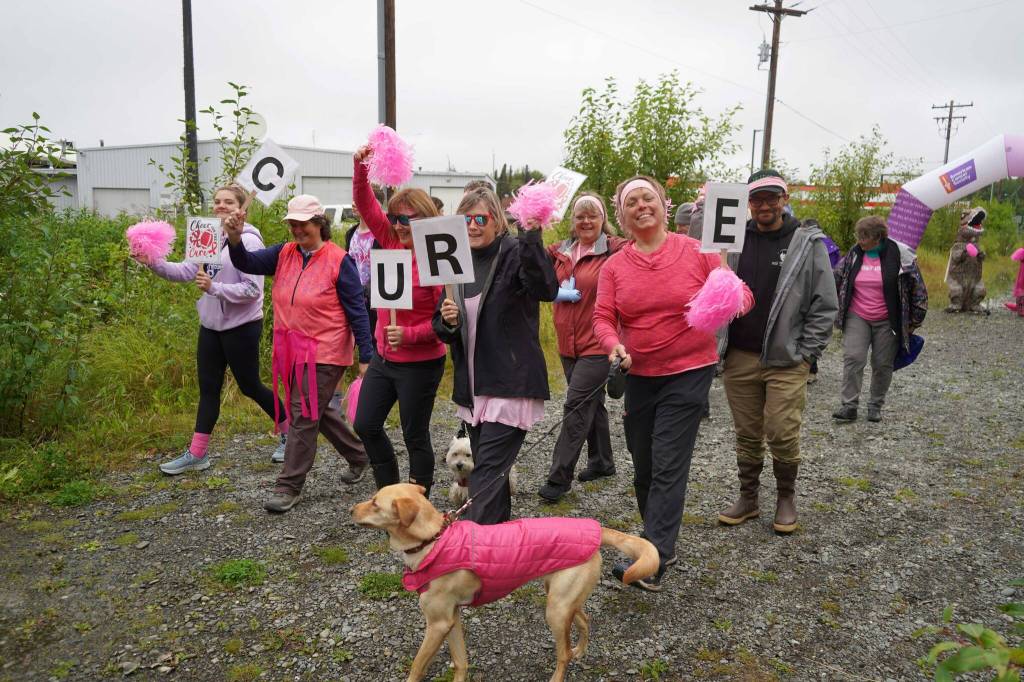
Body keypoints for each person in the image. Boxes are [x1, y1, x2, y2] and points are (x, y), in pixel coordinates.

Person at [593, 175, 753, 591]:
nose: (641, 206)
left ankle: (656, 556)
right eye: (632, 202)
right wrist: (613, 346)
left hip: (689, 371)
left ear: (665, 205)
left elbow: (742, 301)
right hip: (640, 374)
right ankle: (661, 539)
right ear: (622, 215)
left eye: (649, 198)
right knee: (643, 465)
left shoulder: (697, 251)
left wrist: (726, 288)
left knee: (667, 462)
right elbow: (603, 318)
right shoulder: (614, 266)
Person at [225, 194, 374, 513]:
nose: (296, 229)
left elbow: (357, 310)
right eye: (292, 223)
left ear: (319, 224)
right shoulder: (284, 253)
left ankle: (289, 485)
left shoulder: (339, 260)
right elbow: (245, 262)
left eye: (302, 223)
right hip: (290, 350)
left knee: (303, 414)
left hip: (326, 350)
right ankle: (361, 455)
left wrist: (366, 355)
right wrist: (235, 237)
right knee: (315, 411)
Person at [134, 184, 287, 474]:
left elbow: (253, 290)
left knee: (250, 386)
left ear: (242, 208)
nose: (220, 206)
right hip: (210, 326)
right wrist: (153, 263)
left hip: (242, 326)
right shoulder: (206, 233)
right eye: (217, 201)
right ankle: (197, 453)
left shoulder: (250, 241)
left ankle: (289, 433)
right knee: (208, 390)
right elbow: (186, 271)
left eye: (228, 202)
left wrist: (214, 288)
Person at [717, 169, 838, 535]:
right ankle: (749, 497)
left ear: (785, 199)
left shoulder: (807, 242)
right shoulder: (733, 240)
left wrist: (807, 353)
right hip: (739, 355)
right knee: (748, 431)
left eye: (772, 198)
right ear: (747, 203)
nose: (765, 205)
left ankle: (786, 496)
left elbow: (825, 304)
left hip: (787, 358)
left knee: (782, 431)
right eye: (757, 199)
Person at [432, 186, 559, 525]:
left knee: (486, 469)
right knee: (493, 474)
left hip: (509, 383)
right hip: (473, 387)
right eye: (466, 219)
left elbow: (546, 288)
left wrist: (531, 234)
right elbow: (442, 325)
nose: (472, 226)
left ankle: (472, 550)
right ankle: (499, 550)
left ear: (497, 221)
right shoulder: (454, 260)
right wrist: (447, 322)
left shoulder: (516, 252)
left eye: (480, 219)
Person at [351, 146, 446, 497]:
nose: (400, 225)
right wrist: (360, 167)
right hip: (384, 359)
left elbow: (444, 326)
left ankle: (419, 504)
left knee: (414, 434)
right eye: (396, 218)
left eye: (409, 219)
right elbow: (365, 204)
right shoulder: (389, 240)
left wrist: (407, 334)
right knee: (365, 423)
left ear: (424, 220)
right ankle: (389, 494)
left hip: (420, 362)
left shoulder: (438, 259)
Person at [537, 193, 626, 503]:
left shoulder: (614, 249)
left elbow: (637, 248)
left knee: (576, 405)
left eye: (593, 215)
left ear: (604, 220)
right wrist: (533, 223)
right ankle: (602, 462)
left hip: (599, 342)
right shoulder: (560, 251)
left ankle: (558, 478)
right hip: (567, 344)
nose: (586, 221)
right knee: (592, 402)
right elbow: (532, 262)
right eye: (580, 216)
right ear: (572, 221)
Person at [832, 216, 927, 423]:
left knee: (882, 363)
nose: (860, 241)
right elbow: (836, 277)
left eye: (864, 237)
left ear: (878, 237)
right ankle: (849, 406)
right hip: (857, 315)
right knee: (853, 357)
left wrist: (915, 320)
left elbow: (918, 289)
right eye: (859, 236)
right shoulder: (855, 254)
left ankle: (875, 405)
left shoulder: (900, 255)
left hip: (888, 318)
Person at [344, 184, 386, 355]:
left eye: (360, 198)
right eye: (354, 199)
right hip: (354, 296)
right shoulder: (350, 233)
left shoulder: (382, 234)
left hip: (375, 299)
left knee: (374, 341)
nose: (355, 203)